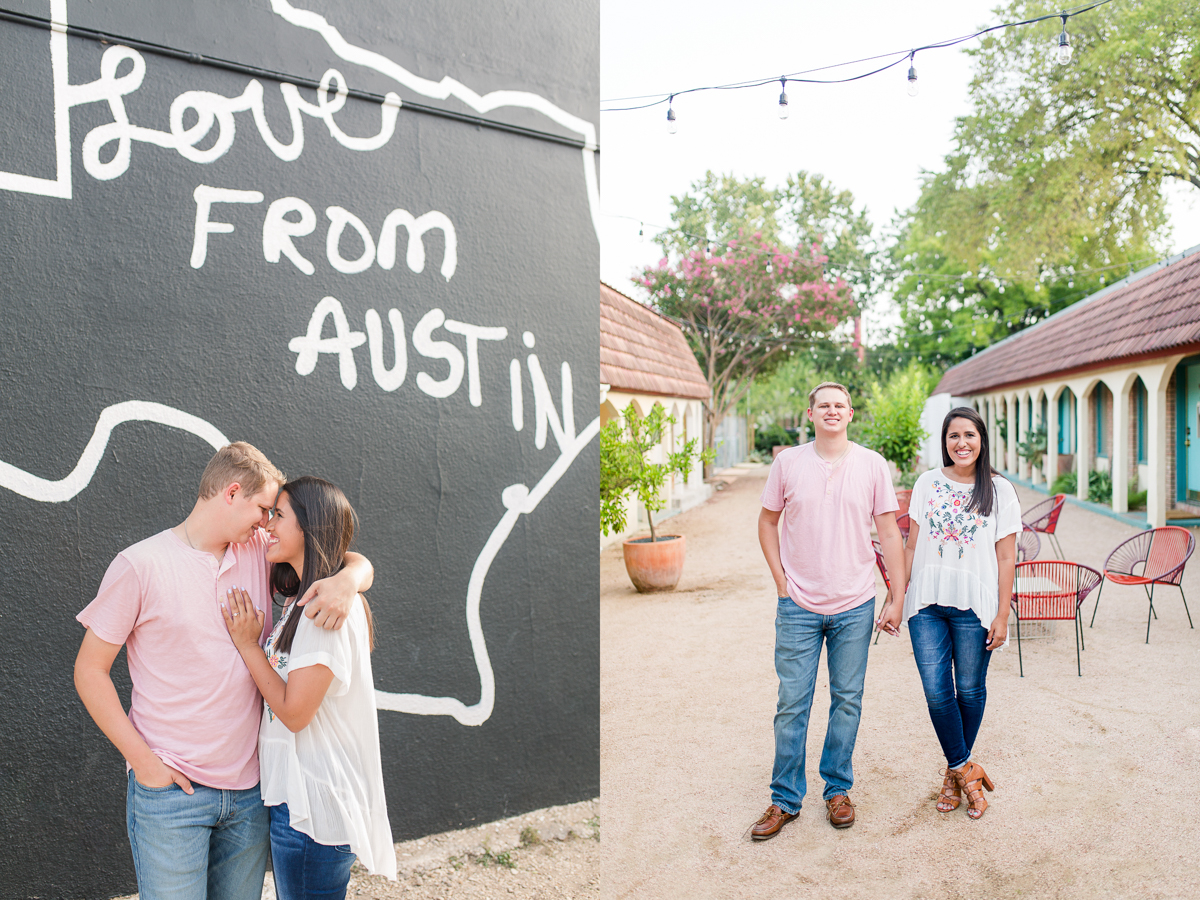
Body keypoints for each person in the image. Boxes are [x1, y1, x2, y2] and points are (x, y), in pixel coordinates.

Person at [74, 442, 374, 900]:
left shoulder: (256, 551)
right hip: (172, 793)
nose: (267, 521)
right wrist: (144, 765)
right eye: (263, 508)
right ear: (232, 492)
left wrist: (350, 579)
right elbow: (90, 670)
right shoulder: (140, 565)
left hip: (249, 796)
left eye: (274, 514)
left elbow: (330, 549)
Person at [222, 476, 397, 897]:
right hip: (301, 804)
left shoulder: (325, 612)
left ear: (310, 526)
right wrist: (353, 572)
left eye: (279, 516)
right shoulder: (315, 597)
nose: (268, 526)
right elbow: (354, 559)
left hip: (312, 811)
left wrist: (248, 646)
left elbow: (295, 714)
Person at [751, 382, 907, 840]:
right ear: (811, 413)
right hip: (798, 604)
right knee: (791, 704)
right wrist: (782, 582)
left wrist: (897, 595)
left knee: (847, 701)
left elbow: (891, 533)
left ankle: (837, 788)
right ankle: (784, 799)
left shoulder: (872, 465)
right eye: (824, 406)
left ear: (851, 414)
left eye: (840, 405)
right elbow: (766, 522)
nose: (832, 411)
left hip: (855, 603)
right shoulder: (787, 463)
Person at [882, 407, 1018, 819]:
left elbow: (1007, 557)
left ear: (982, 441)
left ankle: (952, 772)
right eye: (954, 435)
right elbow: (909, 546)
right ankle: (964, 768)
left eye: (970, 435)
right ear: (944, 441)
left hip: (975, 606)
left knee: (971, 690)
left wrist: (1002, 614)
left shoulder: (999, 491)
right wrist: (897, 599)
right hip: (926, 603)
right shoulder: (927, 483)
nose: (962, 443)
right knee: (937, 693)